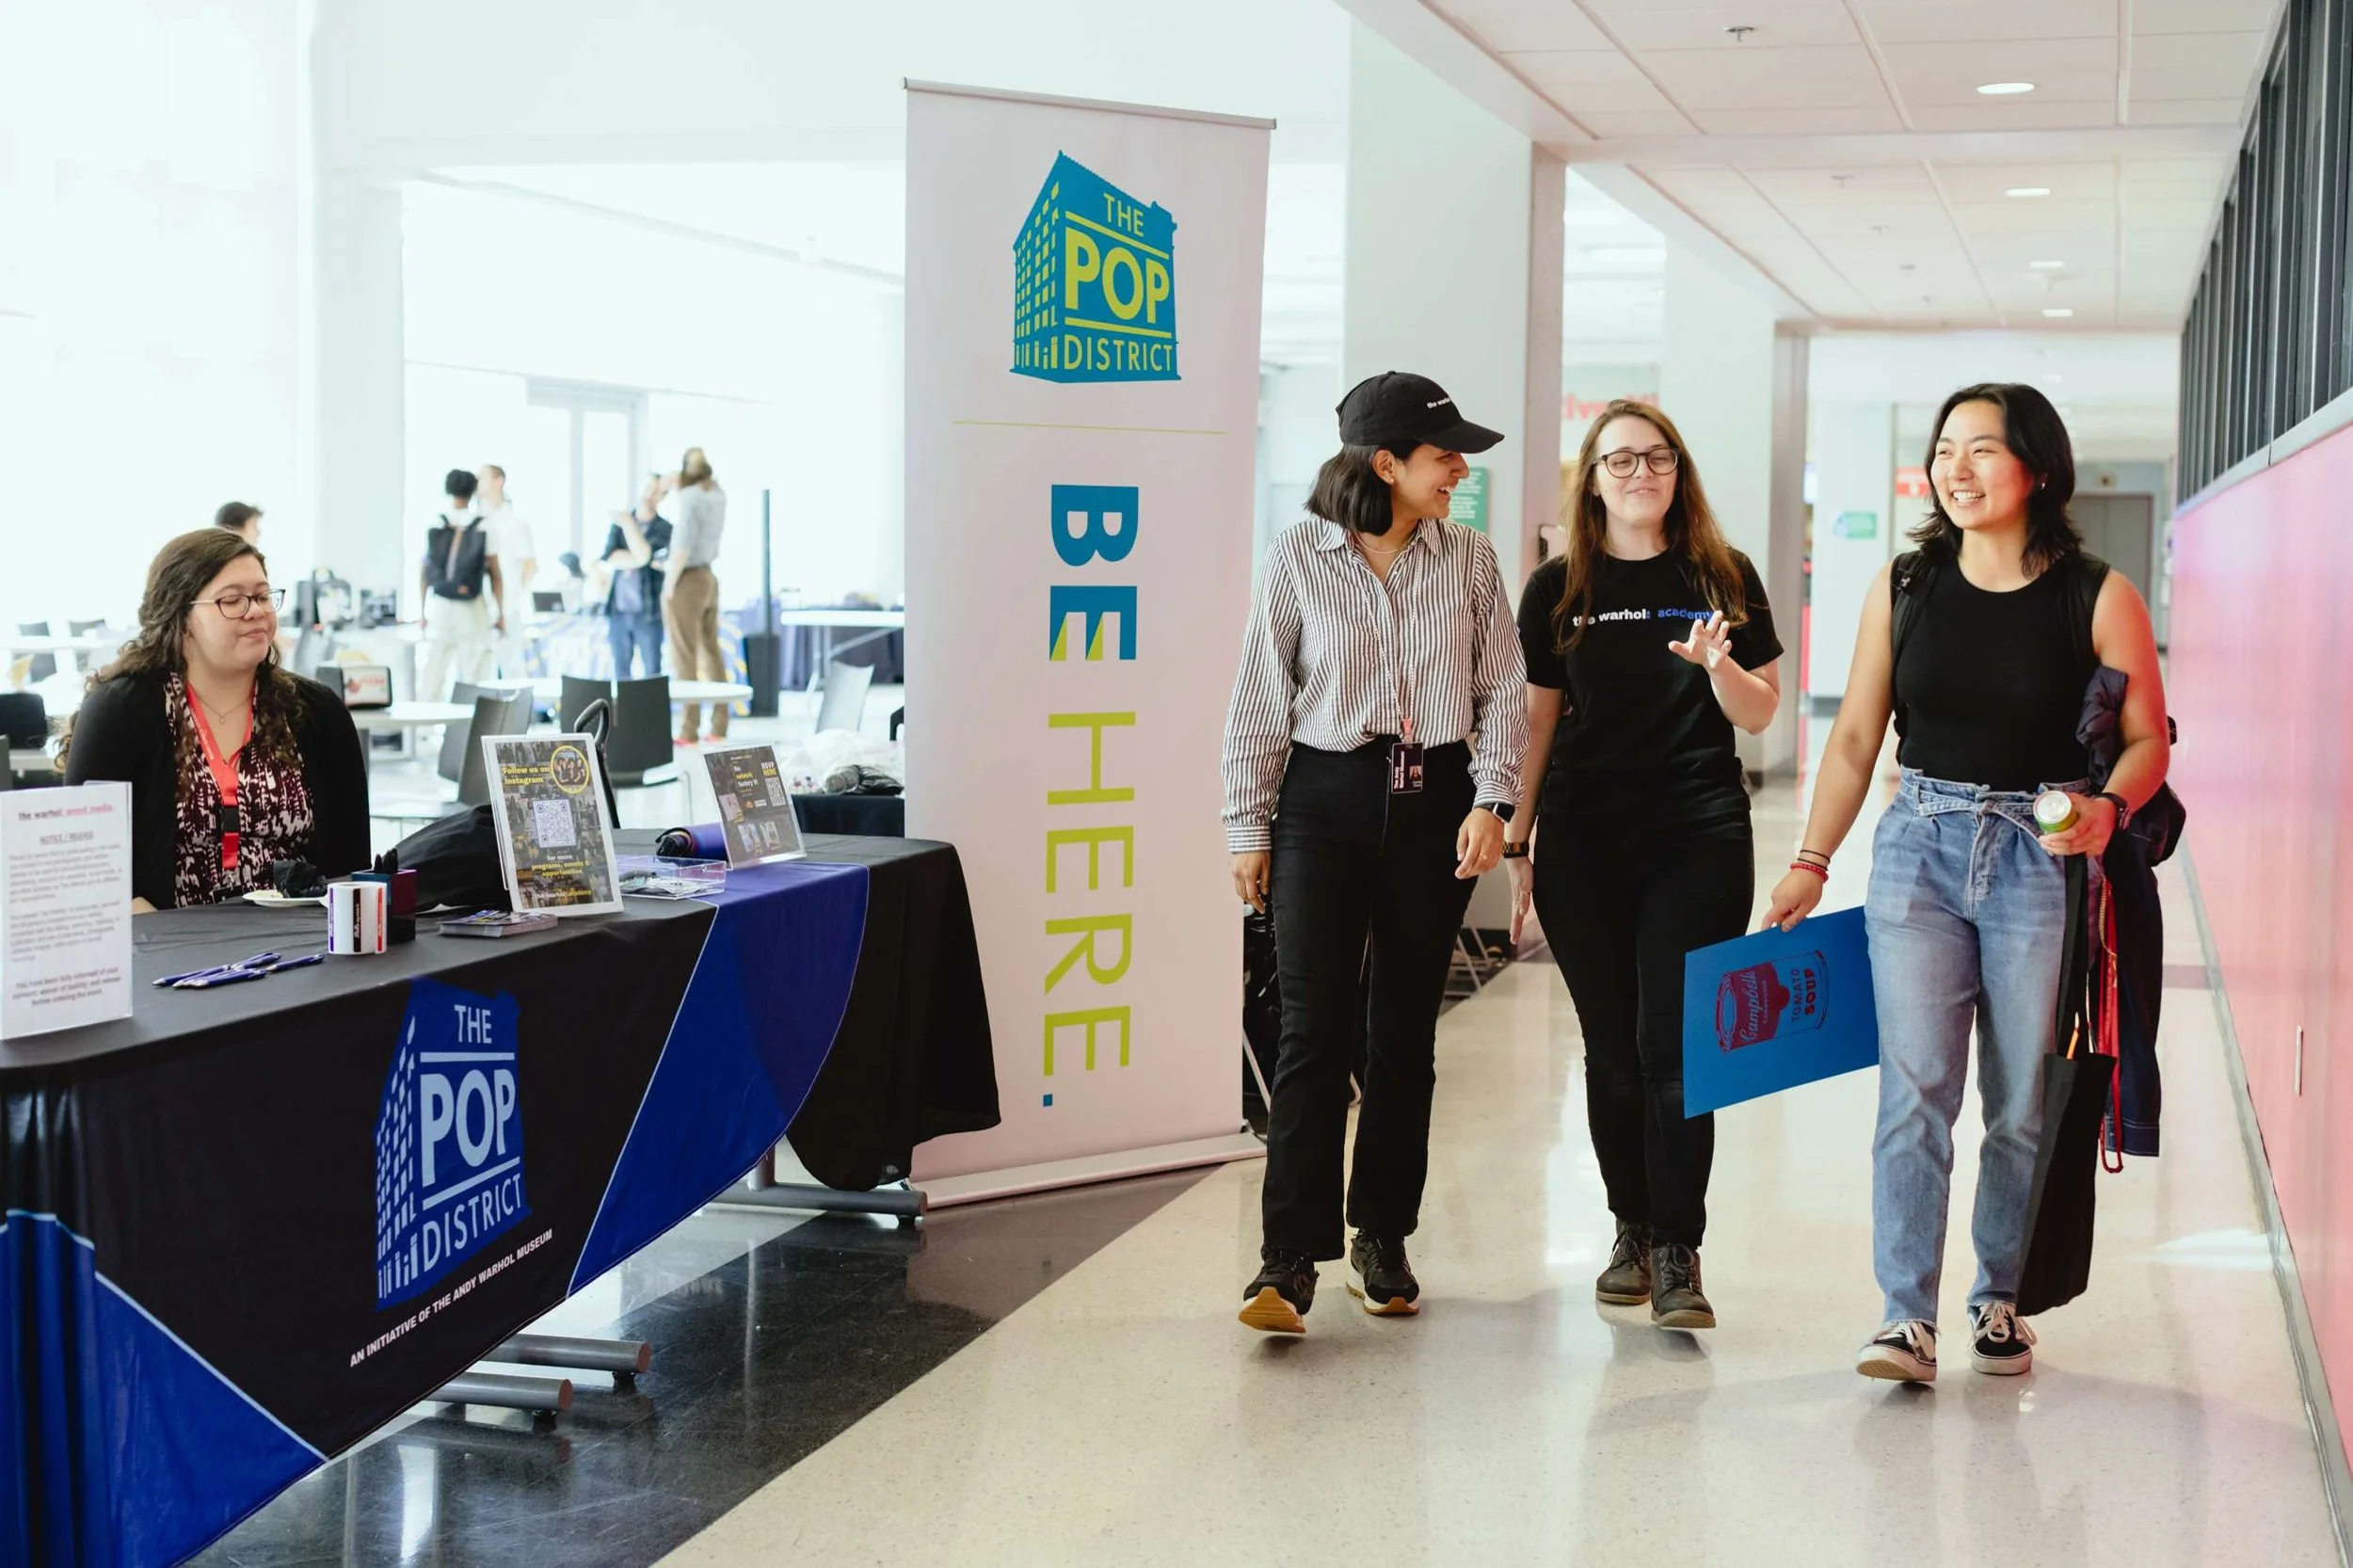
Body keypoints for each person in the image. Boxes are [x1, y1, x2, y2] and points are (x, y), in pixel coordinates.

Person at [1759, 383, 2170, 1384]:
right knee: (1914, 1091)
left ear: (2036, 466)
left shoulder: (2096, 593)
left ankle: (1996, 1299)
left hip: (2043, 851)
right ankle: (1905, 1315)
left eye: (1981, 449)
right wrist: (1812, 858)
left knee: (2023, 1097)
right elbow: (1856, 737)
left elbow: (2147, 739)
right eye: (1945, 449)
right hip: (1921, 847)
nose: (1956, 467)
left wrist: (2106, 811)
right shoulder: (1904, 585)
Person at [1222, 371, 1528, 1335]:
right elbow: (1261, 698)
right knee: (1313, 1031)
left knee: (1404, 1035)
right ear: (1386, 463)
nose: (1460, 470)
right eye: (1445, 456)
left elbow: (1503, 691)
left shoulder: (1470, 559)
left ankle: (1380, 1235)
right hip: (1322, 799)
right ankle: (1285, 1260)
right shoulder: (1298, 556)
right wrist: (1248, 827)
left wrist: (1492, 799)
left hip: (1435, 798)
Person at [1503, 400, 1783, 1332]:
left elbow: (1758, 714)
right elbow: (1538, 720)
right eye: (1619, 461)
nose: (1639, 474)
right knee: (1610, 1048)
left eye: (1656, 459)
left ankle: (1678, 1245)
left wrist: (1717, 670)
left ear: (1678, 471)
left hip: (1696, 831)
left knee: (1675, 1048)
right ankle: (1628, 1225)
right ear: (1590, 478)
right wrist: (1518, 842)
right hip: (1583, 834)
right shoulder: (1554, 588)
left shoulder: (1722, 575)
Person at [63, 529, 369, 911]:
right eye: (232, 600)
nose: (255, 610)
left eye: (261, 596)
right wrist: (166, 945)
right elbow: (87, 865)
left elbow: (352, 864)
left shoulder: (316, 711)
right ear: (182, 616)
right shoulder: (123, 709)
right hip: (163, 945)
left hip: (299, 942)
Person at [417, 469, 503, 700]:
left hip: (441, 606)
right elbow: (495, 572)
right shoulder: (483, 525)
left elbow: (424, 571)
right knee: (474, 672)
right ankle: (471, 731)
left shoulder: (436, 522)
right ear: (473, 490)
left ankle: (425, 733)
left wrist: (422, 611)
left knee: (433, 672)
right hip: (472, 606)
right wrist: (500, 612)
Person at [663, 446, 728, 744]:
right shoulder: (718, 494)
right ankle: (719, 724)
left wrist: (669, 583)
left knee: (684, 653)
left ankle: (689, 729)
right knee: (711, 652)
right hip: (709, 577)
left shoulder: (689, 498)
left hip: (687, 579)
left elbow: (682, 545)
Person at [603, 472, 674, 679]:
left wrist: (628, 524)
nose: (649, 495)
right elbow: (611, 557)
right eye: (647, 488)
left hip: (649, 612)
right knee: (620, 671)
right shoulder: (618, 526)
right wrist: (641, 556)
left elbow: (654, 558)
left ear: (662, 496)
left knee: (652, 671)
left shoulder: (665, 529)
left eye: (655, 491)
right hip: (618, 610)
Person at [479, 463, 537, 676]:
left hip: (508, 606)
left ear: (498, 481)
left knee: (512, 666)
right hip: (480, 606)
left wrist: (514, 596)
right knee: (478, 667)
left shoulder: (514, 523)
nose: (478, 482)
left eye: (482, 477)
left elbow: (530, 564)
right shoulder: (477, 521)